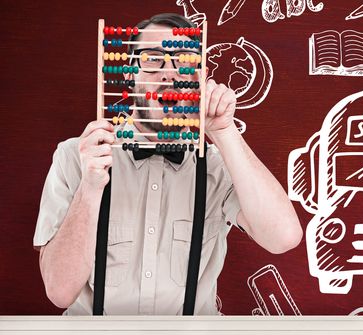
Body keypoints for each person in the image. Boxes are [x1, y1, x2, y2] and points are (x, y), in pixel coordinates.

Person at [33, 13, 302, 315]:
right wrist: (90, 188)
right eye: (153, 59)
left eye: (183, 61)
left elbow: (284, 238)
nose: (168, 74)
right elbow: (59, 291)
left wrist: (223, 132)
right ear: (129, 73)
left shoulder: (217, 165)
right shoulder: (75, 157)